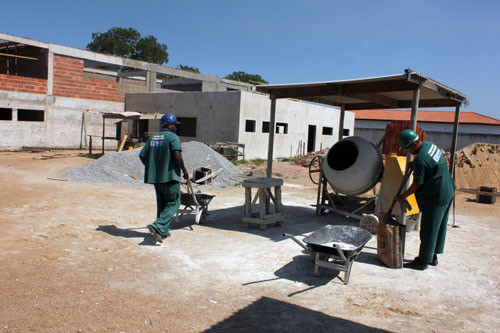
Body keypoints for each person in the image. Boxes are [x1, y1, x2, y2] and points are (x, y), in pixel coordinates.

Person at [394, 129, 456, 270]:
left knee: (429, 228)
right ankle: (433, 256)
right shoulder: (430, 145)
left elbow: (417, 184)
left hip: (436, 195)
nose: (408, 152)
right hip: (447, 190)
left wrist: (402, 196)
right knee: (439, 227)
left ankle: (423, 261)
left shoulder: (421, 160)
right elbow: (430, 163)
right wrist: (414, 164)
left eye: (408, 149)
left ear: (414, 144)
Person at [139, 113, 189, 243]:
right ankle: (158, 226)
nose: (176, 128)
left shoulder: (153, 138)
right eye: (175, 125)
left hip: (156, 178)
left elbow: (142, 155)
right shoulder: (173, 137)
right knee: (173, 203)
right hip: (170, 177)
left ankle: (162, 232)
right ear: (168, 125)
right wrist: (184, 171)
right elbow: (177, 157)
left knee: (162, 205)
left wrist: (153, 168)